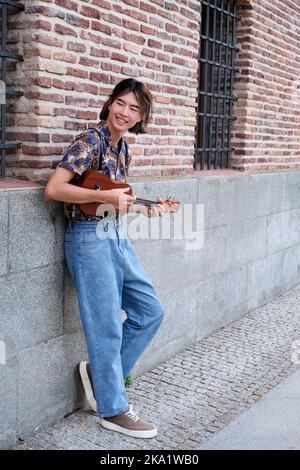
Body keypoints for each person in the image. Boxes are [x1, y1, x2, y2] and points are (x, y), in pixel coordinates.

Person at [44, 78, 166, 439]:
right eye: (120, 103)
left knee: (150, 311)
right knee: (107, 324)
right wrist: (115, 201)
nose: (124, 113)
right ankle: (113, 409)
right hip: (86, 240)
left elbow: (105, 198)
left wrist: (141, 208)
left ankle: (101, 376)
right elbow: (54, 188)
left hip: (114, 234)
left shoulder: (122, 149)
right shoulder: (90, 140)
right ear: (110, 103)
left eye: (134, 109)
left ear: (141, 116)